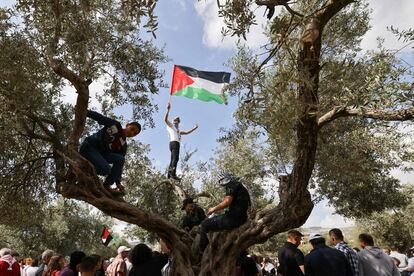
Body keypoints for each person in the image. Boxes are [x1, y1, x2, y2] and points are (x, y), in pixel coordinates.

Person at [80, 110, 141, 193]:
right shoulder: (115, 125)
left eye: (134, 133)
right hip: (89, 147)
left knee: (120, 160)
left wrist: (118, 182)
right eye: (132, 129)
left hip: (99, 155)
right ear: (127, 125)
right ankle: (83, 168)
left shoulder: (123, 145)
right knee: (106, 169)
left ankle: (107, 185)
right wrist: (84, 111)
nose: (132, 132)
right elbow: (100, 118)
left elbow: (119, 164)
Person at [199, 172, 251, 251]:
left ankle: (203, 249)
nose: (220, 183)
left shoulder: (232, 185)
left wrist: (213, 209)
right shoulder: (243, 188)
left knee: (204, 224)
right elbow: (249, 207)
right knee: (216, 222)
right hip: (242, 219)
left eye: (221, 180)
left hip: (232, 219)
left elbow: (227, 202)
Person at [164, 102, 198, 180]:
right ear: (174, 121)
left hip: (175, 144)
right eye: (176, 119)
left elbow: (186, 132)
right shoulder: (171, 125)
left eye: (178, 120)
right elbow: (165, 120)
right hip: (174, 143)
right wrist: (168, 110)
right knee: (175, 159)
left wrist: (194, 128)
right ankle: (173, 174)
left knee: (173, 159)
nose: (177, 120)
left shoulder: (178, 130)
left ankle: (169, 176)